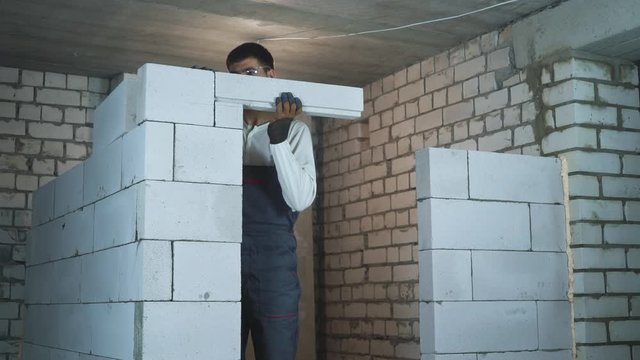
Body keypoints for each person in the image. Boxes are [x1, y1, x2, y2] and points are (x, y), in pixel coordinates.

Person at [226, 42, 316, 360]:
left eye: (250, 72)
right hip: (221, 260)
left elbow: (300, 199)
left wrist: (278, 139)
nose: (242, 81)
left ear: (270, 75)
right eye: (234, 76)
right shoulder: (217, 129)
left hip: (274, 267)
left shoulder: (295, 133)